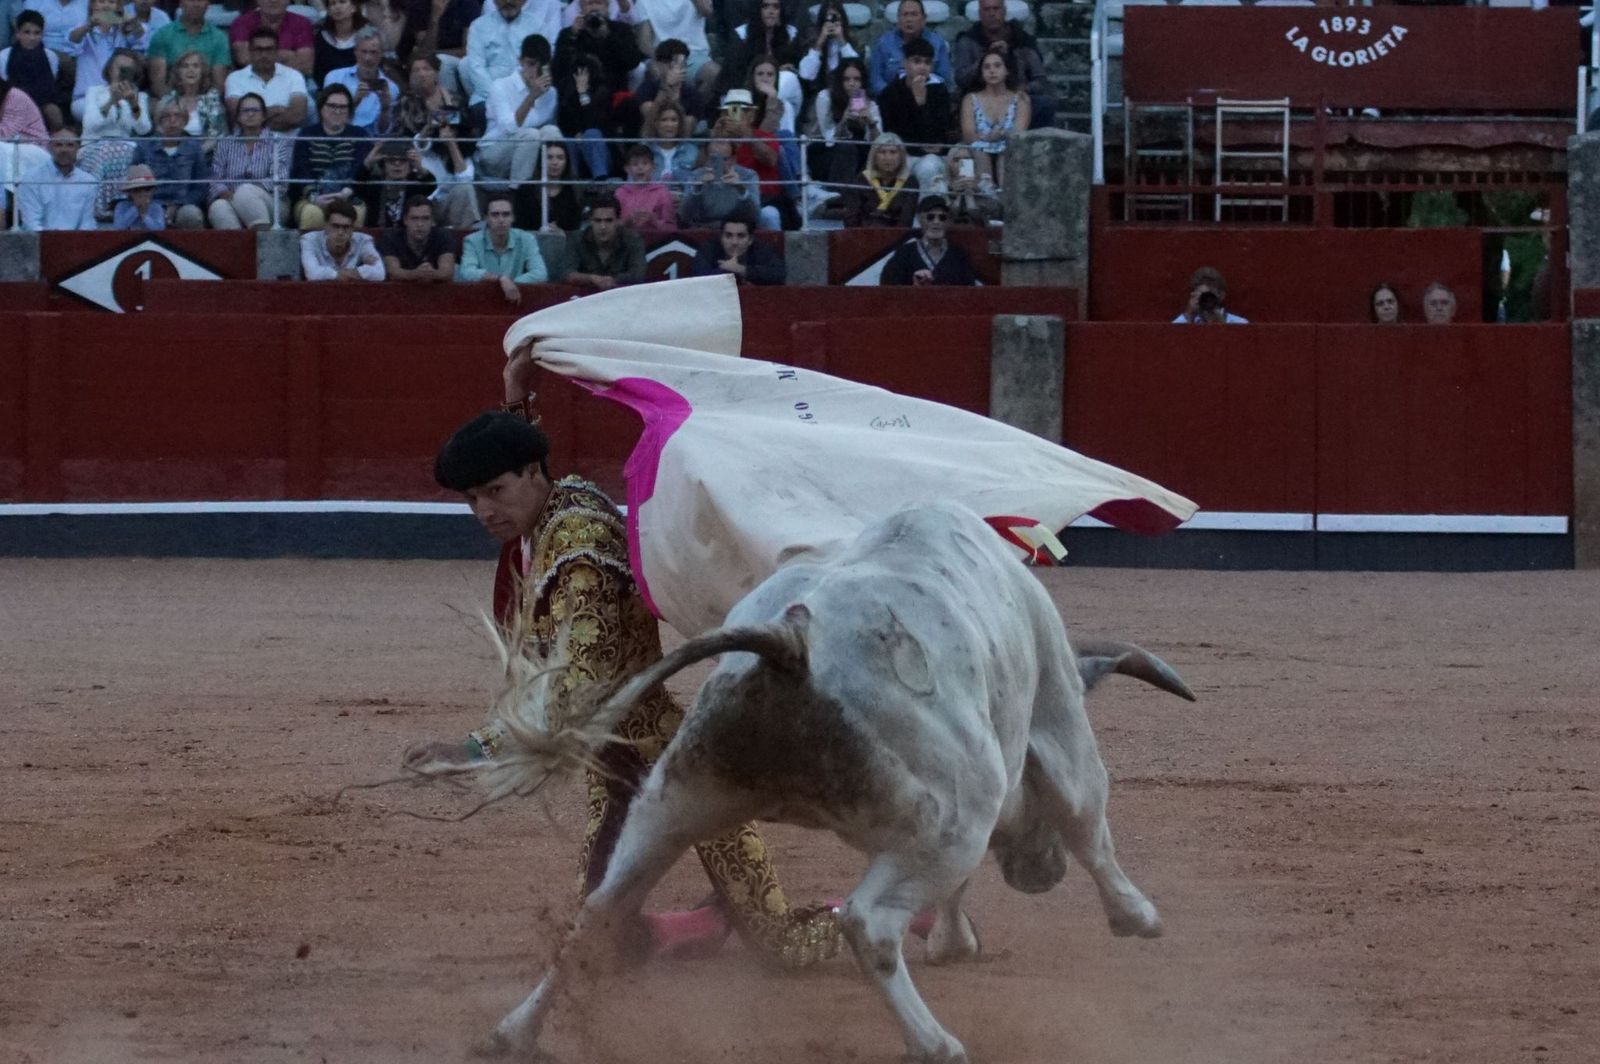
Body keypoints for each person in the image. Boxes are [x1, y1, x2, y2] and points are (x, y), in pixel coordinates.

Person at [408, 390, 841, 968]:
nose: (485, 511)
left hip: (676, 765)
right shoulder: (561, 503)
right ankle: (705, 921)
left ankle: (892, 911)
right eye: (472, 498)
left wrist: (474, 749)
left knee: (785, 949)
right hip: (613, 761)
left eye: (495, 491)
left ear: (534, 473)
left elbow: (580, 690)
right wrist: (517, 391)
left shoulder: (580, 549)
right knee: (601, 946)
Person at [393, 53, 480, 228]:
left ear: (436, 73)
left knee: (465, 189)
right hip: (421, 187)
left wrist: (450, 141)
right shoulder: (405, 103)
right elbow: (408, 141)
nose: (421, 74)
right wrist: (427, 130)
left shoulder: (455, 100)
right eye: (416, 70)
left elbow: (465, 175)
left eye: (426, 68)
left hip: (449, 188)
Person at [952, 0, 1053, 128]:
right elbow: (961, 78)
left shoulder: (1022, 40)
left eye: (996, 9)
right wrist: (986, 57)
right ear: (980, 13)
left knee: (1044, 104)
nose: (992, 14)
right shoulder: (968, 41)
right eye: (986, 10)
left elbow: (1041, 80)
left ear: (1004, 11)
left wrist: (1022, 89)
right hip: (981, 98)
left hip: (1017, 97)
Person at [478, 32, 560, 185]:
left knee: (551, 131)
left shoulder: (551, 93)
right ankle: (519, 195)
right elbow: (509, 128)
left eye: (540, 65)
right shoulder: (500, 86)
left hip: (529, 153)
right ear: (521, 61)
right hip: (495, 151)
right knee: (531, 135)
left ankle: (552, 192)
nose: (535, 71)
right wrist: (532, 97)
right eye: (530, 64)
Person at [77, 46, 147, 219]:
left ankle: (123, 206)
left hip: (124, 146)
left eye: (127, 69)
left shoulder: (139, 96)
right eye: (119, 67)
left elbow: (144, 129)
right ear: (110, 68)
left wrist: (133, 104)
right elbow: (91, 124)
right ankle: (99, 209)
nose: (122, 72)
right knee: (108, 152)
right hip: (93, 146)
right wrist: (111, 102)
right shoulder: (94, 92)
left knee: (128, 152)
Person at [206, 91, 292, 228]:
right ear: (238, 117)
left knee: (245, 192)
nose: (250, 114)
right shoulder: (225, 144)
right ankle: (238, 248)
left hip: (272, 202)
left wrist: (245, 191)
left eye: (255, 110)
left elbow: (280, 182)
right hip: (230, 198)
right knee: (218, 207)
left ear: (264, 116)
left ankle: (263, 240)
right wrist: (224, 192)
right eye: (245, 110)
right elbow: (215, 178)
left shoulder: (277, 142)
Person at [291, 84, 371, 229]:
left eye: (343, 107)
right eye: (332, 106)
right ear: (321, 108)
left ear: (349, 111)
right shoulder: (306, 134)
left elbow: (361, 170)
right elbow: (301, 169)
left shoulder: (360, 135)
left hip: (350, 197)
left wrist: (345, 194)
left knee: (354, 214)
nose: (337, 111)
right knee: (312, 214)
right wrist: (314, 197)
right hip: (312, 198)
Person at [877, 33, 948, 189]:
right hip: (901, 154)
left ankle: (928, 212)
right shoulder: (890, 93)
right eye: (917, 61)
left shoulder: (940, 91)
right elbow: (891, 133)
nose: (922, 67)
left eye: (927, 63)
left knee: (928, 168)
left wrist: (921, 103)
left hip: (931, 156)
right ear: (905, 63)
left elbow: (938, 134)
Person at [462, 0, 559, 108]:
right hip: (487, 97)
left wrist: (521, 97)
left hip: (528, 95)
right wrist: (497, 97)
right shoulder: (478, 26)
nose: (508, 1)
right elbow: (476, 68)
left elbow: (542, 66)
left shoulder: (538, 26)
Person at [457, 190, 548, 302]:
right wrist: (501, 279)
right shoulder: (472, 240)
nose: (501, 220)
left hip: (514, 299)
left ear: (513, 217)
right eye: (495, 215)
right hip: (481, 299)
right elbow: (467, 272)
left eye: (506, 214)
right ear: (486, 218)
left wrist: (511, 282)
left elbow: (540, 273)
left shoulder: (527, 239)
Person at [131, 96, 206, 227]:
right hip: (150, 203)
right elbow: (134, 183)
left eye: (178, 116)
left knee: (192, 215)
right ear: (159, 121)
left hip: (183, 205)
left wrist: (177, 205)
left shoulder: (194, 149)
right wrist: (153, 206)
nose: (173, 120)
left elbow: (200, 188)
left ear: (185, 121)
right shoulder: (144, 147)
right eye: (166, 116)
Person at [959, 44, 1027, 187]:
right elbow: (968, 135)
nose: (992, 71)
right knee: (978, 150)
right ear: (981, 73)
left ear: (1006, 70)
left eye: (997, 66)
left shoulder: (1020, 99)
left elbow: (1019, 133)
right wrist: (989, 138)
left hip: (1009, 146)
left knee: (1006, 153)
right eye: (987, 67)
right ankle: (986, 195)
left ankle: (1006, 197)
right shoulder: (970, 99)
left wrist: (1001, 135)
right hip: (979, 147)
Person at [551, 0, 644, 104]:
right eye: (589, 4)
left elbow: (633, 61)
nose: (594, 8)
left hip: (615, 92)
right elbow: (557, 70)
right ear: (581, 9)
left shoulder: (621, 29)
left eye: (599, 3)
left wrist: (608, 36)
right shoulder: (570, 34)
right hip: (580, 95)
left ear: (607, 8)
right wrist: (572, 36)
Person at [224, 26, 310, 132]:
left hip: (287, 144)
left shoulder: (294, 76)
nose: (264, 55)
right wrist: (277, 109)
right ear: (250, 51)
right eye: (259, 50)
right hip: (247, 145)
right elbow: (237, 114)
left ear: (277, 51)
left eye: (269, 49)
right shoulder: (235, 78)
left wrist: (254, 118)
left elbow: (297, 115)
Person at [676, 122, 759, 229]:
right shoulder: (696, 176)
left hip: (735, 231)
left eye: (724, 159)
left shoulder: (748, 175)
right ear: (707, 156)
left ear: (734, 157)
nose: (719, 164)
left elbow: (756, 215)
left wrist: (741, 189)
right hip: (703, 230)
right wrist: (698, 188)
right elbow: (684, 216)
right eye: (714, 159)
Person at [812, 56, 878, 189]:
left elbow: (878, 143)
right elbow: (828, 138)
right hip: (827, 152)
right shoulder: (825, 97)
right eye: (847, 79)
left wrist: (870, 123)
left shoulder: (871, 104)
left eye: (857, 79)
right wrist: (843, 121)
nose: (852, 84)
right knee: (847, 147)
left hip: (860, 152)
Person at [880, 194, 975, 285]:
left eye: (942, 217)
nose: (936, 222)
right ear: (919, 218)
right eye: (930, 217)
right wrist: (914, 286)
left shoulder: (959, 254)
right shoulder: (904, 253)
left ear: (948, 221)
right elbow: (887, 291)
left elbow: (970, 292)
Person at [559, 191, 644, 288]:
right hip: (585, 297)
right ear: (590, 221)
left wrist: (611, 280)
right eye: (598, 220)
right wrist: (591, 279)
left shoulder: (633, 239)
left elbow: (638, 274)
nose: (603, 226)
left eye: (609, 220)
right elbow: (566, 274)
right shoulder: (576, 239)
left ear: (618, 221)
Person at [324, 26, 401, 134]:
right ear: (355, 51)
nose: (367, 58)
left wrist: (385, 108)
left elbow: (382, 132)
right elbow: (328, 119)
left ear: (382, 54)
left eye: (373, 52)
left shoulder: (391, 88)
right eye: (363, 52)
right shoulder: (335, 77)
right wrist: (355, 101)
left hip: (371, 142)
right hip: (339, 137)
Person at [16, 126, 96, 230]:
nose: (64, 150)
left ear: (78, 148)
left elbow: (87, 223)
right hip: (40, 242)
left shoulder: (89, 181)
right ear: (49, 147)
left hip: (77, 242)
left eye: (70, 145)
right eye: (58, 145)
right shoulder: (31, 178)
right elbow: (31, 223)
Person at [631, 0, 717, 95]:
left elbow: (707, 12)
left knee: (714, 73)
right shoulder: (644, 2)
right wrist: (663, 59)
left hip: (695, 56)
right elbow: (644, 43)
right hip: (662, 57)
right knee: (655, 71)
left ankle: (696, 107)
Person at [866, 0, 950, 98]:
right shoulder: (884, 43)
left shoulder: (937, 43)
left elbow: (944, 79)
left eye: (914, 14)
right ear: (898, 19)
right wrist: (896, 97)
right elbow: (876, 80)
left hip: (928, 100)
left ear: (924, 18)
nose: (909, 19)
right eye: (904, 15)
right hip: (891, 100)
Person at [145, 0, 229, 97]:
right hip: (170, 103)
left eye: (201, 0)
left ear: (208, 4)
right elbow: (158, 85)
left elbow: (218, 85)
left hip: (207, 103)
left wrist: (199, 105)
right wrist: (178, 105)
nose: (196, 4)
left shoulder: (219, 38)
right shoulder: (162, 35)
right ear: (180, 3)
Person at [554, 50, 611, 178]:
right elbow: (563, 123)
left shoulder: (603, 93)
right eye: (578, 74)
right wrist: (576, 134)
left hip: (599, 150)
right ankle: (573, 183)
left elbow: (597, 124)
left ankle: (600, 179)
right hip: (575, 144)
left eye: (585, 73)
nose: (581, 78)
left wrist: (583, 94)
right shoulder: (566, 94)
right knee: (568, 141)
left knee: (591, 134)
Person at [842, 130, 916, 228]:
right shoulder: (863, 179)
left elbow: (906, 220)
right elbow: (852, 217)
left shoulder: (910, 182)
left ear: (901, 156)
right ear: (874, 156)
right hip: (864, 236)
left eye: (893, 152)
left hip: (898, 238)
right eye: (882, 152)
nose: (888, 158)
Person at [691, 205, 784, 284]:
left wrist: (742, 270)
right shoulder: (709, 248)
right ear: (721, 237)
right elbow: (698, 277)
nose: (734, 242)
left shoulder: (761, 249)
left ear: (750, 239)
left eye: (741, 236)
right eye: (728, 235)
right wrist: (725, 271)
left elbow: (779, 274)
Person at [3, 10, 64, 129]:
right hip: (13, 103)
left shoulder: (51, 56)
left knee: (53, 111)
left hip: (43, 102)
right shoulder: (4, 56)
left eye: (37, 33)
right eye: (27, 32)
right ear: (17, 34)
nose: (32, 38)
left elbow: (51, 83)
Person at [636, 37, 709, 132]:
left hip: (681, 145)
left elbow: (686, 132)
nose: (674, 67)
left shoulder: (693, 95)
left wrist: (676, 100)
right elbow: (650, 120)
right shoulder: (647, 88)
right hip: (649, 141)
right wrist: (666, 87)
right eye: (668, 62)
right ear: (658, 64)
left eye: (680, 63)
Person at [300, 197, 385, 279]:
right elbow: (313, 274)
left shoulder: (363, 240)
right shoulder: (310, 240)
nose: (340, 232)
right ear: (325, 226)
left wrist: (335, 274)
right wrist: (358, 272)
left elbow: (380, 273)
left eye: (346, 227)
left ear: (352, 229)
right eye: (335, 226)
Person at [362, 137, 438, 227]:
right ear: (383, 164)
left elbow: (431, 185)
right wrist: (368, 161)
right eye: (391, 160)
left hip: (407, 237)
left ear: (410, 164)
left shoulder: (414, 185)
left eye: (403, 160)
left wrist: (419, 167)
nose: (397, 164)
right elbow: (358, 186)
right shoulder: (375, 185)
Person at [379, 194, 457, 281]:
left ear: (432, 221)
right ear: (405, 220)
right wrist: (416, 274)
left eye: (425, 218)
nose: (420, 224)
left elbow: (447, 272)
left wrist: (429, 273)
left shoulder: (443, 236)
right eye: (414, 218)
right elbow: (393, 272)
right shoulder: (391, 238)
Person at [155, 49, 225, 144]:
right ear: (178, 72)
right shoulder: (168, 99)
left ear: (202, 71)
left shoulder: (212, 99)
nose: (191, 70)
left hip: (204, 154)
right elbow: (159, 131)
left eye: (196, 66)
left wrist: (195, 153)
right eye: (185, 66)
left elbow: (216, 134)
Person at [228, 0, 314, 76]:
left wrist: (260, 55)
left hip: (291, 81)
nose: (273, 1)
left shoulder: (302, 23)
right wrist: (287, 56)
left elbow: (306, 66)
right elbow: (244, 59)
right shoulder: (241, 23)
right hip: (251, 80)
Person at [513, 137, 581, 230]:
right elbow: (519, 226)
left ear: (567, 162)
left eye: (560, 158)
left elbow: (575, 226)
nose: (555, 162)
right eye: (549, 157)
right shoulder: (526, 189)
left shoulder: (574, 189)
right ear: (541, 160)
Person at [796, 0, 858, 92]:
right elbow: (806, 75)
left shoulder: (852, 43)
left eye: (835, 18)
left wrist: (841, 40)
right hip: (820, 94)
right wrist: (820, 42)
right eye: (828, 19)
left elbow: (856, 71)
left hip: (847, 94)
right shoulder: (812, 42)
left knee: (859, 98)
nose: (831, 23)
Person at [616, 142, 674, 234]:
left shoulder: (663, 193)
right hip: (626, 241)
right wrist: (627, 221)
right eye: (635, 164)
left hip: (656, 240)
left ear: (653, 167)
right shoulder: (620, 193)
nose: (640, 168)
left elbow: (672, 228)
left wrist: (654, 221)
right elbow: (612, 225)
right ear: (627, 169)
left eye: (645, 163)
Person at [640, 97, 696, 188]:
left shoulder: (692, 150)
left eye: (674, 120)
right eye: (664, 120)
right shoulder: (643, 149)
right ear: (655, 123)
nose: (669, 125)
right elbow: (633, 184)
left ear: (680, 123)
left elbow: (695, 184)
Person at [312, 0, 369, 88]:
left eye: (342, 2)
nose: (337, 7)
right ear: (329, 11)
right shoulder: (321, 37)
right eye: (333, 3)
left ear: (354, 7)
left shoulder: (366, 35)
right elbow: (318, 71)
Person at [1173, 266, 1247, 324]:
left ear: (1221, 295)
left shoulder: (1239, 323)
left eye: (1209, 295)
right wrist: (1188, 314)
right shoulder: (1189, 322)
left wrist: (1221, 324)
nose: (1206, 299)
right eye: (1202, 295)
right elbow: (1171, 335)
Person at [111, 160, 162, 228]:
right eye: (137, 190)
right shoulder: (122, 206)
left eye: (147, 189)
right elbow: (118, 227)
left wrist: (144, 215)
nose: (142, 193)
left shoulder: (156, 207)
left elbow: (160, 229)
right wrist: (135, 209)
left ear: (153, 191)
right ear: (130, 192)